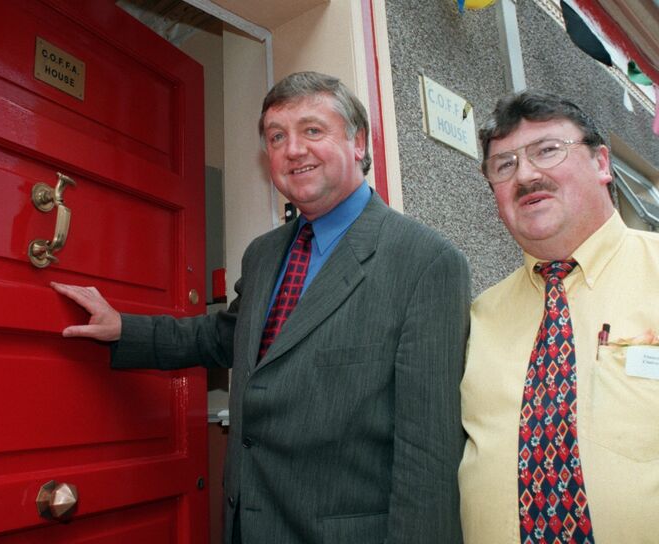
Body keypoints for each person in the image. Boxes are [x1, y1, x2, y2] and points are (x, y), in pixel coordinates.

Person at [53, 71, 470, 544]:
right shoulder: (265, 253)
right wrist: (124, 328)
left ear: (358, 142)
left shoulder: (426, 262)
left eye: (312, 130)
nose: (293, 149)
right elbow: (224, 338)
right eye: (277, 136)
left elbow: (429, 455)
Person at [459, 90, 659, 543]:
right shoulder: (479, 316)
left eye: (547, 150)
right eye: (504, 165)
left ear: (602, 163)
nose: (526, 175)